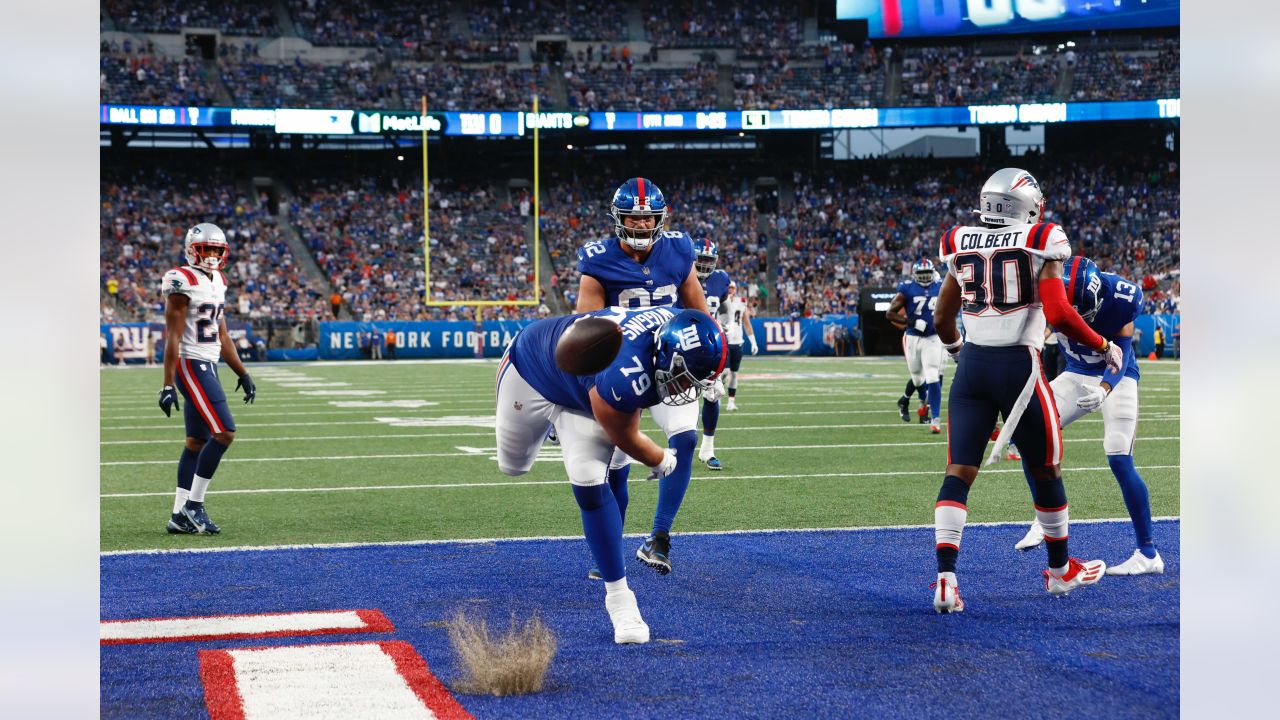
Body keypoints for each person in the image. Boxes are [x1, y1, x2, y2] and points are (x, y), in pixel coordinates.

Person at [929, 168, 1124, 613]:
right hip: (1020, 367)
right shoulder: (1044, 237)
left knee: (958, 473)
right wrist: (1102, 344)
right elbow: (1056, 312)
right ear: (1028, 204)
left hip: (973, 366)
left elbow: (943, 321)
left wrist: (961, 350)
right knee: (1046, 470)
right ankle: (1059, 573)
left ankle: (945, 581)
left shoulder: (957, 240)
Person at [497, 307, 726, 643]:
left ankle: (621, 602)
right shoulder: (626, 372)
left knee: (589, 485)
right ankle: (553, 427)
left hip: (584, 397)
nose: (683, 391)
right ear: (665, 355)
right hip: (531, 372)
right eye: (682, 380)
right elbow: (626, 435)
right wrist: (660, 459)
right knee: (512, 466)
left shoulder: (674, 331)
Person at [574, 177, 710, 578]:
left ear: (660, 218)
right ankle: (610, 552)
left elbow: (699, 312)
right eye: (632, 218)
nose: (640, 226)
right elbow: (586, 326)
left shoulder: (679, 250)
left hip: (673, 365)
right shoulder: (597, 260)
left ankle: (660, 538)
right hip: (623, 367)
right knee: (614, 463)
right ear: (618, 219)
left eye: (647, 217)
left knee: (685, 438)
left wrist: (712, 361)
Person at [1014, 257, 1163, 574]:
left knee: (1119, 457)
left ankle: (1148, 554)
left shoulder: (1122, 297)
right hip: (1075, 374)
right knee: (1029, 432)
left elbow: (1120, 348)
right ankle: (1045, 516)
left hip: (1118, 377)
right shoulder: (1046, 287)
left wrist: (1106, 388)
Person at [157, 223, 256, 535]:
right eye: (206, 248)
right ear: (192, 249)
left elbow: (222, 335)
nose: (212, 254)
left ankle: (177, 514)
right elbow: (172, 336)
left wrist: (242, 372)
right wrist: (168, 384)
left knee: (196, 442)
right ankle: (194, 505)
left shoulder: (219, 280)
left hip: (209, 364)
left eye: (217, 249)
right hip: (190, 362)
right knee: (225, 431)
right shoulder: (180, 278)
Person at [887, 259, 944, 433]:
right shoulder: (907, 289)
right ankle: (913, 401)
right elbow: (890, 313)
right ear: (914, 275)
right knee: (918, 378)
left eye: (927, 274)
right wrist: (910, 322)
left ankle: (935, 418)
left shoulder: (941, 286)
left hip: (933, 337)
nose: (925, 278)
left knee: (933, 375)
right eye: (921, 274)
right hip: (913, 338)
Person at [693, 239, 731, 470]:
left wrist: (724, 325)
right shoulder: (681, 275)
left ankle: (708, 450)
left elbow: (725, 305)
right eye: (701, 259)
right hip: (682, 342)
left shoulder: (721, 279)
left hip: (710, 345)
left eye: (709, 260)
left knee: (712, 393)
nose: (705, 264)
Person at [719, 280, 757, 412]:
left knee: (734, 374)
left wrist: (753, 341)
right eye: (728, 287)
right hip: (725, 341)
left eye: (732, 288)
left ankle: (731, 402)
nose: (730, 290)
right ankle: (717, 397)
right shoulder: (719, 301)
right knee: (724, 372)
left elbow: (746, 322)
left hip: (738, 341)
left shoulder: (741, 302)